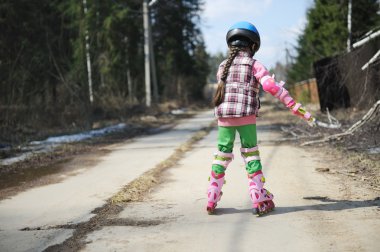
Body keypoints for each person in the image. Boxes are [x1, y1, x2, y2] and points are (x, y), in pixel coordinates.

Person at [206, 21, 315, 216]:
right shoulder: (255, 64)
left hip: (224, 116)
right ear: (253, 45)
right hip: (246, 116)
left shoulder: (222, 66)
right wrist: (292, 104)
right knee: (251, 154)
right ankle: (258, 195)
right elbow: (271, 87)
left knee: (222, 154)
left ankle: (212, 195)